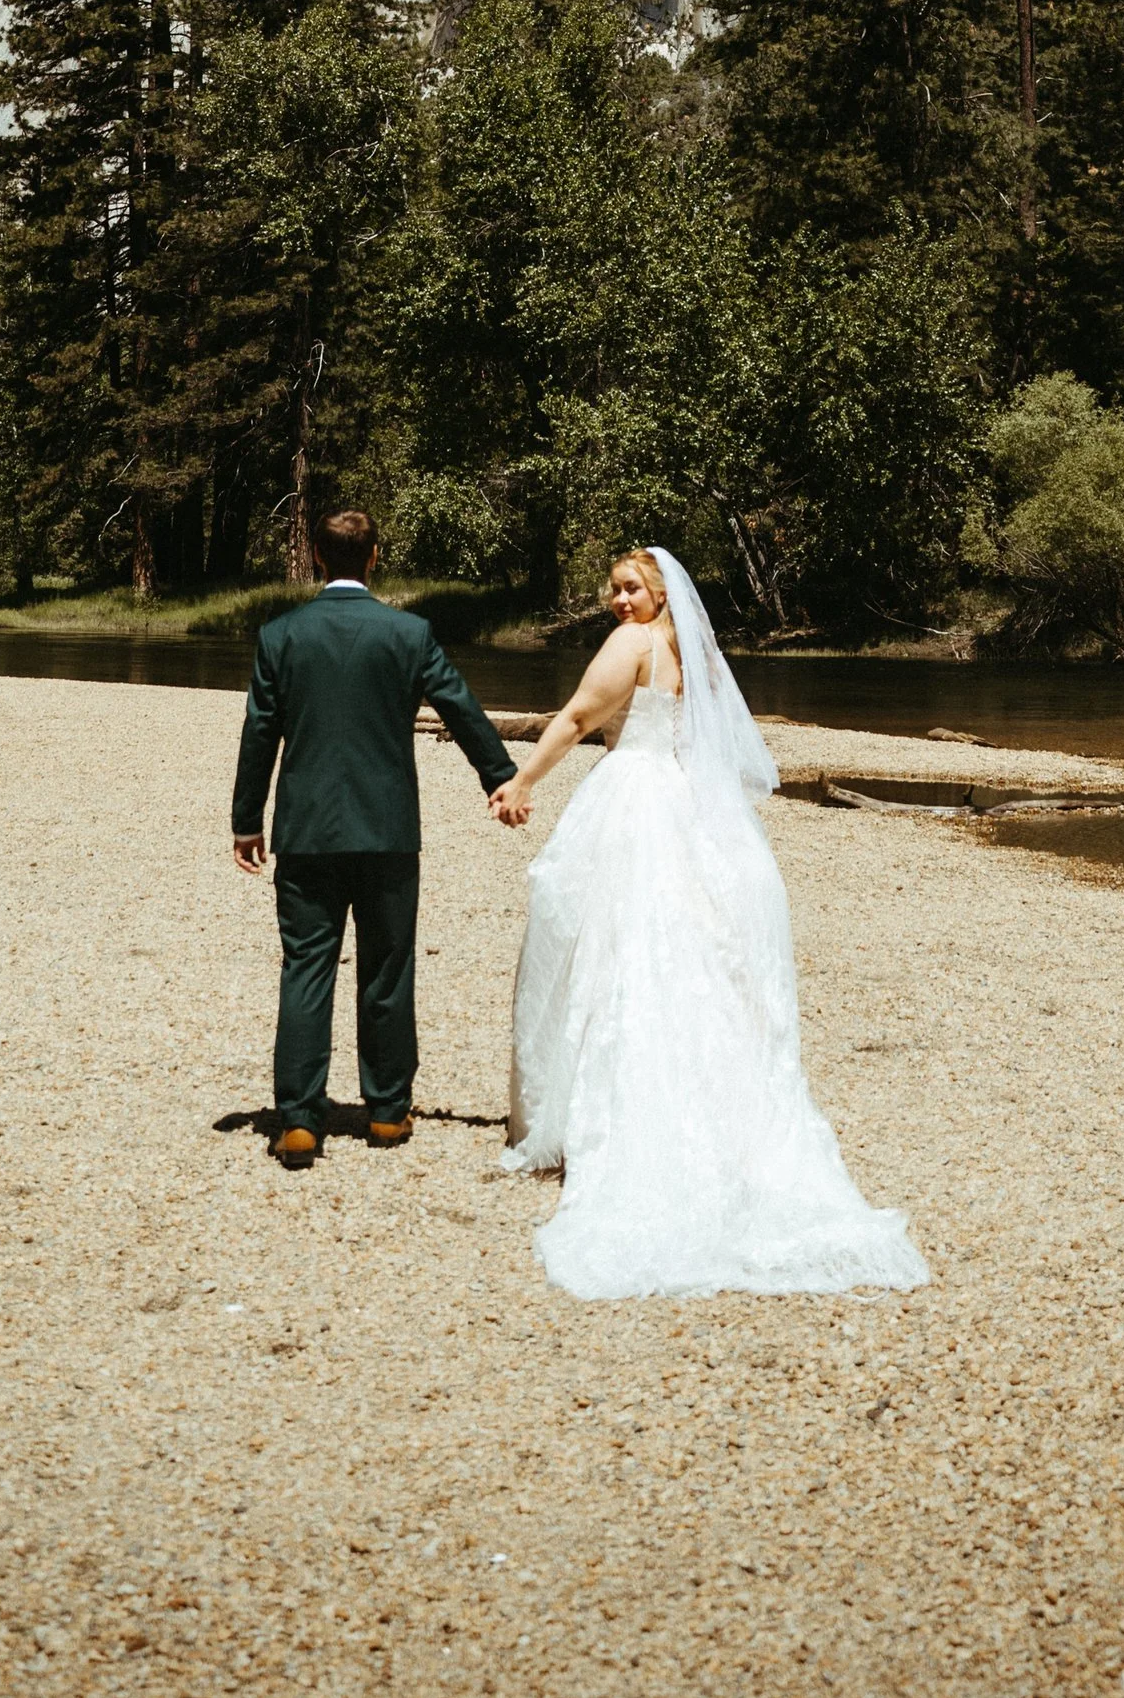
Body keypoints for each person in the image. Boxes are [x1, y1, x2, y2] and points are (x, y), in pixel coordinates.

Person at [492, 544, 927, 1300]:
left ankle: (597, 1113)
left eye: (633, 589)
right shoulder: (690, 651)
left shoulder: (631, 646)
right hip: (678, 796)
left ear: (662, 594)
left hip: (633, 795)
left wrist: (521, 780)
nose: (620, 601)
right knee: (668, 948)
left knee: (610, 942)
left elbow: (576, 716)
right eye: (614, 590)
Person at [231, 505, 525, 1167]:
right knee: (387, 965)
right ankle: (388, 1112)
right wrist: (500, 778)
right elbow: (461, 706)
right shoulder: (409, 634)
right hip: (388, 828)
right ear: (374, 557)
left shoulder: (281, 634)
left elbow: (260, 730)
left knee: (306, 964)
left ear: (314, 556)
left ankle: (301, 1119)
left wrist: (247, 819)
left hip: (305, 830)